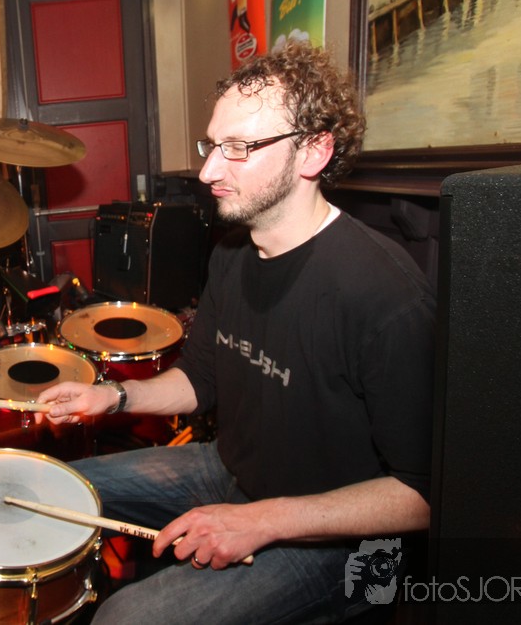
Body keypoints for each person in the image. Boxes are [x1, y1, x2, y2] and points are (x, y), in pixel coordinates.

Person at [37, 42, 435, 623]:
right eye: (212, 145)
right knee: (52, 487)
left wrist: (262, 520)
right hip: (228, 469)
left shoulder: (385, 296)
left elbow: (422, 495)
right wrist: (112, 397)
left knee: (125, 620)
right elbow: (200, 380)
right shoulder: (231, 253)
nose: (208, 172)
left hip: (338, 541)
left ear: (314, 151)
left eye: (239, 148)